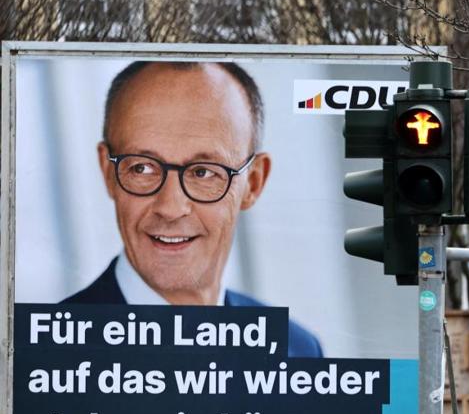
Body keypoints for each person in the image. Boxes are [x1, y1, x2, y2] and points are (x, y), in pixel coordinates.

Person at [63, 60, 322, 357]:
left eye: (203, 172)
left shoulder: (298, 350)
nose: (171, 208)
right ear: (108, 173)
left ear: (253, 183)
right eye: (142, 168)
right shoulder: (37, 360)